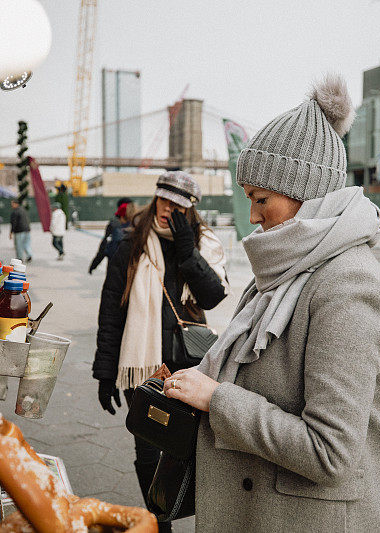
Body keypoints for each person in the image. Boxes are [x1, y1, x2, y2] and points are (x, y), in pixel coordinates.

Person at [161, 76, 380, 532]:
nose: (251, 216)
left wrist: (218, 399)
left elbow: (330, 451)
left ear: (305, 194)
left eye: (260, 199)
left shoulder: (346, 286)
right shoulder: (288, 267)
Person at [93, 172, 228, 533]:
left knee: (192, 450)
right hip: (142, 366)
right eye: (165, 201)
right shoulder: (130, 242)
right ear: (156, 199)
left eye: (179, 205)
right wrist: (105, 371)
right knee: (148, 451)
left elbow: (214, 296)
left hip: (190, 367)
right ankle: (159, 522)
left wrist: (187, 254)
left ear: (190, 210)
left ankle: (200, 517)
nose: (169, 209)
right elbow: (111, 310)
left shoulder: (203, 243)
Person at [89, 197, 135, 275]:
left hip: (115, 271)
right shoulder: (136, 225)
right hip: (127, 271)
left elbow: (104, 248)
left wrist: (93, 265)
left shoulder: (114, 224)